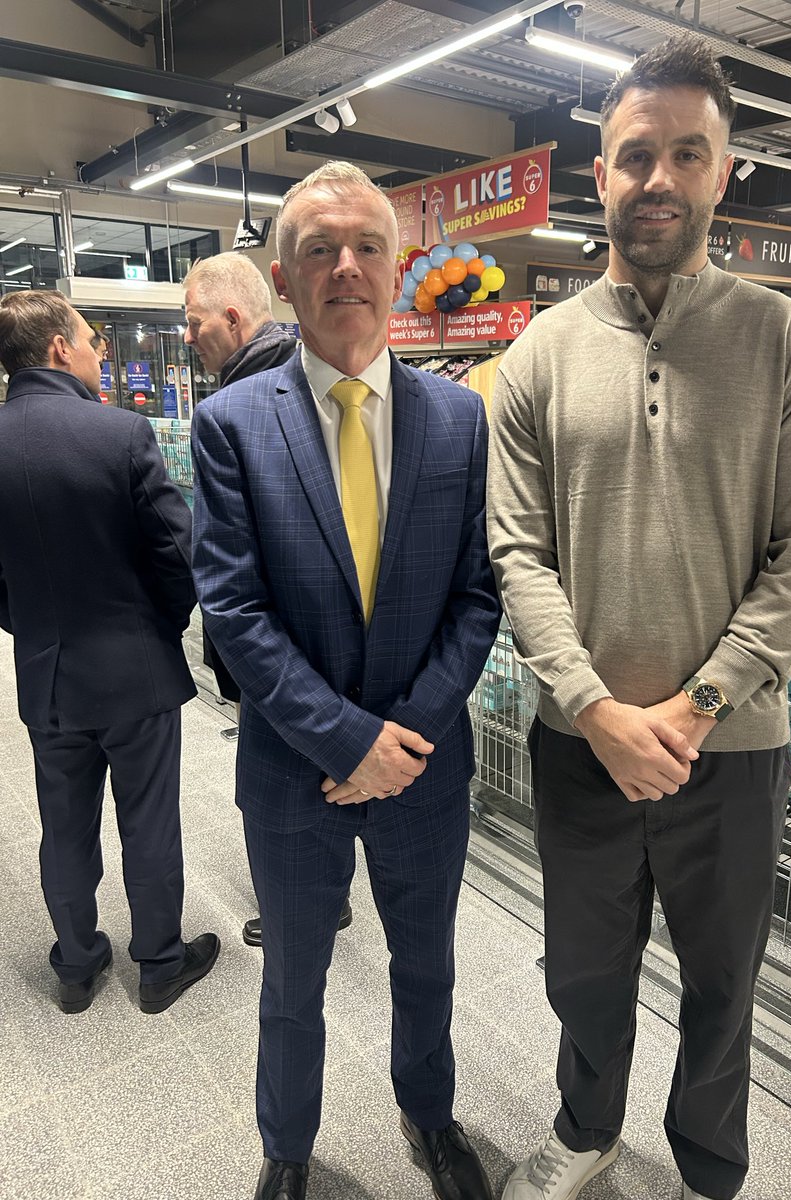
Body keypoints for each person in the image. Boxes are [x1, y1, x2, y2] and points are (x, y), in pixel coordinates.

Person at [487, 36, 791, 1200]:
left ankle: (709, 1165)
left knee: (722, 985)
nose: (659, 178)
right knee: (583, 974)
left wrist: (692, 711)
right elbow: (518, 552)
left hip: (731, 754)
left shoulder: (788, 342)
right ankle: (588, 1129)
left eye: (686, 154)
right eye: (635, 155)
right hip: (577, 752)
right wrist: (595, 711)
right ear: (598, 175)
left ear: (724, 169)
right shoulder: (538, 352)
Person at [190, 161, 501, 1200]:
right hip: (294, 775)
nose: (346, 267)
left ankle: (430, 1114)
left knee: (427, 965)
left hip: (425, 768)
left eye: (367, 244)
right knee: (293, 983)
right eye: (319, 249)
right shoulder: (231, 427)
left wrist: (399, 739)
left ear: (402, 266)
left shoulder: (460, 423)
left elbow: (478, 598)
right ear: (284, 279)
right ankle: (286, 1148)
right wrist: (345, 743)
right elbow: (234, 612)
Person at [0, 290, 219, 1016]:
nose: (101, 352)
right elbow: (177, 557)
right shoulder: (120, 434)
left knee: (62, 824)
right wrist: (158, 626)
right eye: (92, 340)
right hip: (135, 672)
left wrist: (33, 628)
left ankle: (75, 965)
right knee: (148, 820)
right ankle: (158, 965)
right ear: (60, 347)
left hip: (48, 677)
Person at [182, 250, 352, 949]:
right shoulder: (291, 386)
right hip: (310, 644)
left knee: (285, 787)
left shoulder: (240, 406)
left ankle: (301, 905)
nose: (189, 338)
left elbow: (230, 572)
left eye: (194, 324)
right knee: (323, 772)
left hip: (277, 650)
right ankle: (327, 898)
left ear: (232, 316)